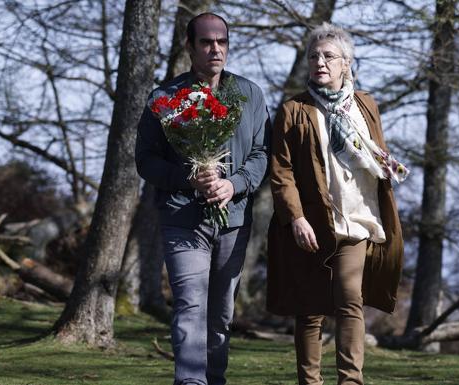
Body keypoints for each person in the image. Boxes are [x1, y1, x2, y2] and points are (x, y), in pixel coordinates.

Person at [267, 22, 407, 385]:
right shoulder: (293, 110)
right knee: (310, 310)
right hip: (313, 225)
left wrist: (385, 163)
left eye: (329, 56)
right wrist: (295, 218)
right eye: (314, 56)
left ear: (347, 63)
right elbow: (281, 173)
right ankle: (309, 382)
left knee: (349, 303)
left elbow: (374, 150)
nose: (320, 62)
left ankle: (351, 381)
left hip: (357, 221)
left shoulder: (365, 105)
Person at [135, 12, 270, 385]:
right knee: (190, 305)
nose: (215, 49)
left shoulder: (249, 94)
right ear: (189, 46)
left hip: (234, 221)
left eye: (221, 42)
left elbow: (262, 153)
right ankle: (190, 382)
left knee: (221, 314)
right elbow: (145, 161)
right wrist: (187, 178)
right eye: (206, 42)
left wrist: (234, 184)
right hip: (183, 219)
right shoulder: (164, 99)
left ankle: (214, 379)